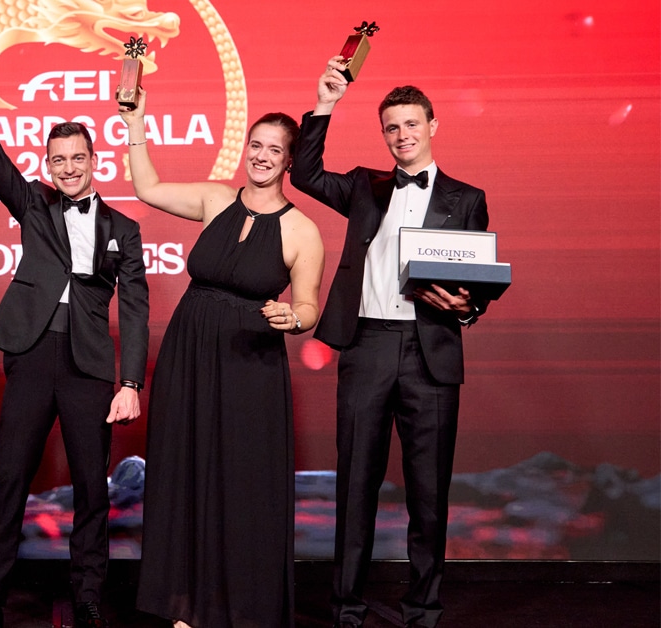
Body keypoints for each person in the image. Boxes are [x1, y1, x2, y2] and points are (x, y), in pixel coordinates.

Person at [0, 44, 148, 628]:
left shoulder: (123, 230)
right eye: (59, 160)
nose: (69, 168)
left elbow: (135, 308)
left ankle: (86, 597)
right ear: (49, 165)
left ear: (94, 159)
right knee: (8, 482)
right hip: (31, 355)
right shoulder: (33, 204)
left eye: (78, 158)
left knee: (91, 491)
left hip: (88, 367)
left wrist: (129, 381)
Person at [289, 57, 491, 628]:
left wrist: (469, 308)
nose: (402, 136)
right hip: (368, 345)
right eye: (392, 128)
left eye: (411, 124)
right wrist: (325, 102)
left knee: (429, 494)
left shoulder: (467, 197)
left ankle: (423, 610)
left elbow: (480, 277)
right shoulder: (363, 186)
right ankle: (347, 610)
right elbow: (303, 174)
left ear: (432, 125)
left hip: (431, 354)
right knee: (356, 486)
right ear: (384, 134)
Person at [120, 90, 325, 627]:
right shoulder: (215, 200)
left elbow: (308, 305)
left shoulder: (302, 230)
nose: (260, 155)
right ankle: (183, 605)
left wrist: (294, 319)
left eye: (273, 150)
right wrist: (137, 120)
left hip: (248, 367)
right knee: (184, 472)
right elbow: (147, 188)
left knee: (241, 483)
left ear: (288, 160)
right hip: (189, 353)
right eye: (255, 144)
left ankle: (237, 608)